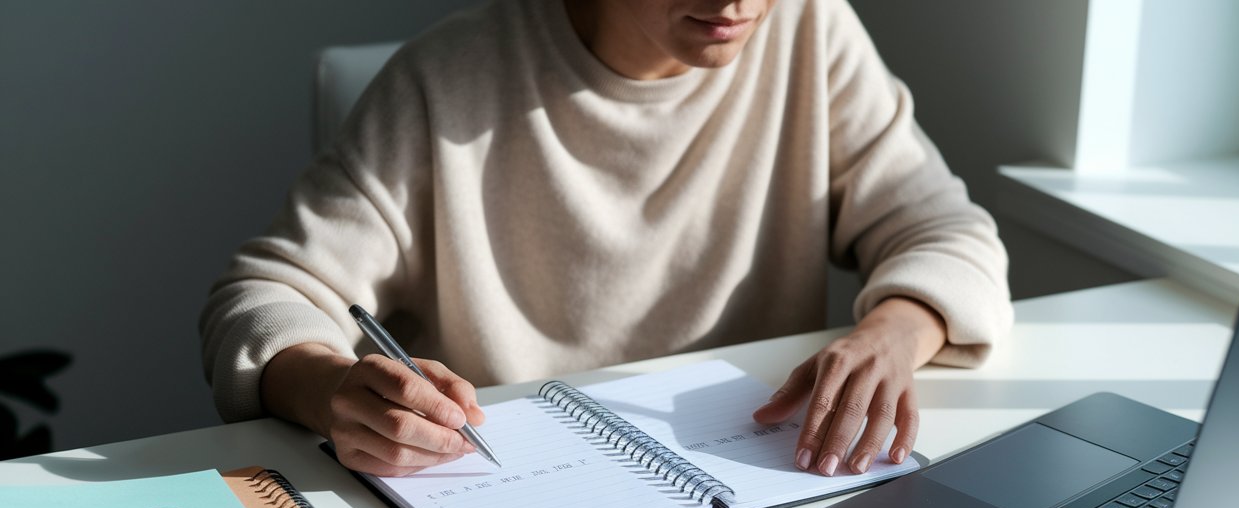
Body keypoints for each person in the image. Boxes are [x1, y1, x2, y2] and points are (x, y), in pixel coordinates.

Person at [200, 0, 1012, 479]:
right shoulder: (443, 83)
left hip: (752, 498)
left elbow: (943, 225)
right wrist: (330, 389)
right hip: (498, 502)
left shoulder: (810, 29)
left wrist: (896, 331)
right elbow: (264, 297)